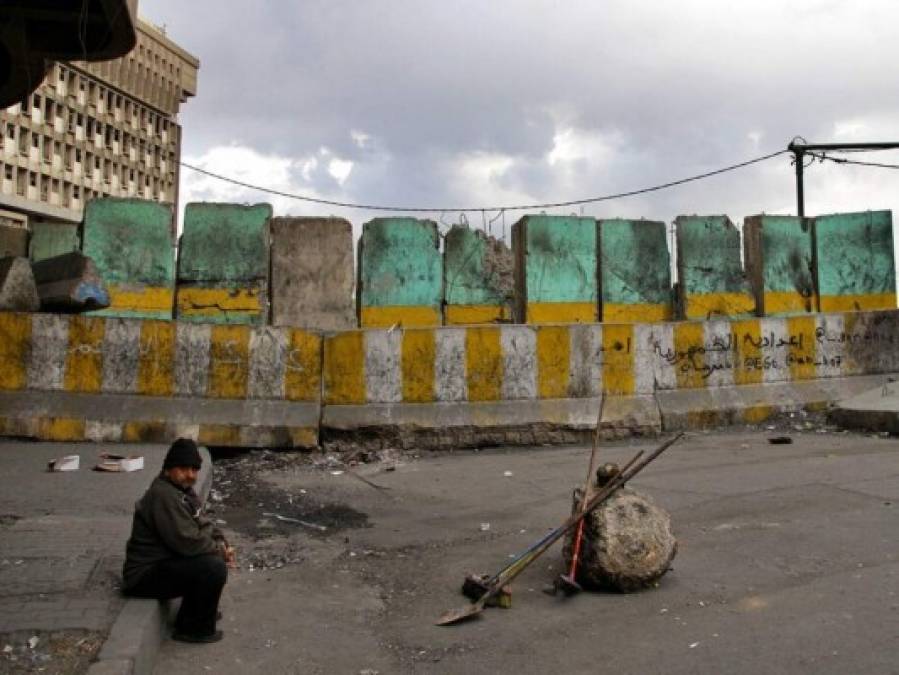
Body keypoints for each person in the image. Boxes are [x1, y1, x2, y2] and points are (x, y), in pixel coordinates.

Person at [122, 438, 235, 643]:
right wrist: (218, 551)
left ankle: (197, 613)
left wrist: (220, 541)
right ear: (169, 468)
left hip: (163, 563)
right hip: (143, 576)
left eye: (194, 469)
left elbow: (202, 521)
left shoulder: (181, 491)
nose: (190, 475)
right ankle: (193, 628)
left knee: (211, 560)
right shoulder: (163, 495)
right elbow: (187, 541)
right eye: (183, 469)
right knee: (212, 567)